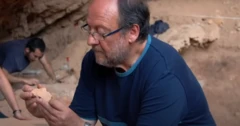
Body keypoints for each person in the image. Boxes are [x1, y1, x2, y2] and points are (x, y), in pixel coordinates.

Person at [20, 0, 216, 126]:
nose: (90, 40)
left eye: (101, 32)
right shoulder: (95, 60)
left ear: (132, 32)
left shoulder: (163, 77)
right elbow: (84, 121)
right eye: (90, 29)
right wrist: (47, 111)